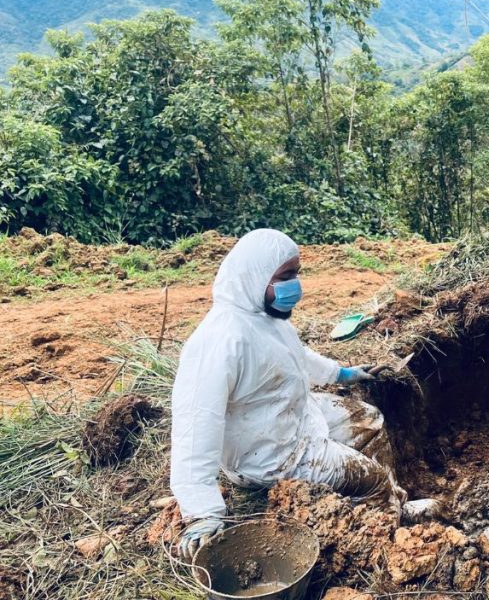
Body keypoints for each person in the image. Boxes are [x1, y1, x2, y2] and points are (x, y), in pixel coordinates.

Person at [170, 229, 437, 560]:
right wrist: (201, 510)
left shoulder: (265, 316)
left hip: (292, 416)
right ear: (255, 276)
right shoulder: (218, 341)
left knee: (369, 419)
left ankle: (393, 499)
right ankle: (387, 530)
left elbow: (296, 355)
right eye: (286, 276)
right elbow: (195, 425)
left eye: (297, 273)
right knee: (372, 477)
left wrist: (341, 373)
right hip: (271, 455)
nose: (295, 286)